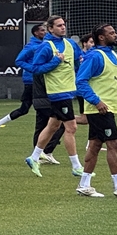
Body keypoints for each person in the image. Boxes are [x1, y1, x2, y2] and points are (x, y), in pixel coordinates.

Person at [75, 23, 117, 197]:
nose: (116, 35)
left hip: (107, 108)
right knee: (113, 144)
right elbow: (80, 82)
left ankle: (84, 184)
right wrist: (96, 102)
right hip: (100, 110)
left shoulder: (113, 56)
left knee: (95, 145)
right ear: (101, 37)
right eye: (111, 33)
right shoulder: (94, 57)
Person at [24, 16, 84, 178]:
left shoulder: (71, 44)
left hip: (68, 91)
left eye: (64, 25)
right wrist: (55, 62)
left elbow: (79, 62)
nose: (63, 28)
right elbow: (36, 68)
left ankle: (34, 157)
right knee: (71, 128)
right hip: (58, 93)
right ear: (50, 29)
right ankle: (76, 166)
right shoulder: (46, 47)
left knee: (53, 126)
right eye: (59, 25)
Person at [0, 22, 46, 139]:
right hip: (31, 82)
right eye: (42, 30)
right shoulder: (31, 46)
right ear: (36, 33)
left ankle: (47, 135)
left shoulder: (44, 45)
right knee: (32, 108)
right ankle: (45, 137)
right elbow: (19, 60)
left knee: (39, 108)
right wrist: (33, 70)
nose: (44, 32)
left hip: (41, 81)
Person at [73, 33, 95, 127]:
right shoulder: (79, 56)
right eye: (91, 42)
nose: (93, 44)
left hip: (92, 89)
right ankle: (62, 118)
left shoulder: (94, 55)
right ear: (84, 43)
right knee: (86, 119)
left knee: (88, 119)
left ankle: (63, 118)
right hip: (83, 90)